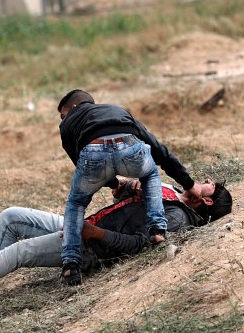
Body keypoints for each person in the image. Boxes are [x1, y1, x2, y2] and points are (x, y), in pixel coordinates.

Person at [0, 177, 232, 311]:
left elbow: (138, 245)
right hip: (86, 226)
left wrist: (94, 236)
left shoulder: (177, 219)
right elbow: (132, 196)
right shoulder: (176, 194)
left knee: (21, 251)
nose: (201, 180)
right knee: (10, 216)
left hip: (89, 245)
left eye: (207, 185)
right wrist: (119, 183)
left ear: (205, 202)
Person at [56, 89, 203, 285]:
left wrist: (112, 183)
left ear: (73, 107)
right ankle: (158, 230)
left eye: (62, 114)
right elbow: (159, 150)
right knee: (150, 175)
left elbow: (80, 160)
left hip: (92, 150)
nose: (63, 119)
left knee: (76, 203)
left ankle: (70, 265)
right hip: (130, 146)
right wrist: (188, 183)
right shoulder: (117, 110)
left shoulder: (68, 123)